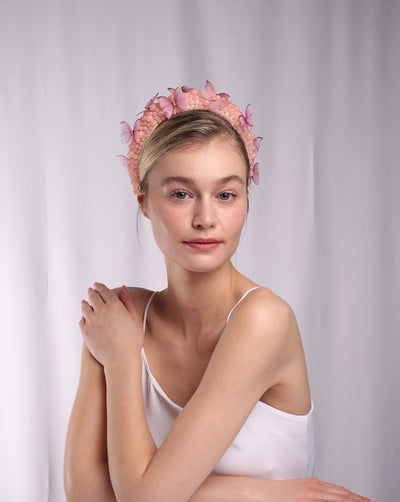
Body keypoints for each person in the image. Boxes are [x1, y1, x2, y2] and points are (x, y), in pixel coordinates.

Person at [64, 81, 376, 502]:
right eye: (180, 194)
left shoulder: (262, 320)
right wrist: (266, 493)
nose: (205, 218)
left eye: (226, 194)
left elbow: (141, 499)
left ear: (246, 198)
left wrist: (121, 363)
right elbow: (84, 495)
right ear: (143, 200)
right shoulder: (118, 318)